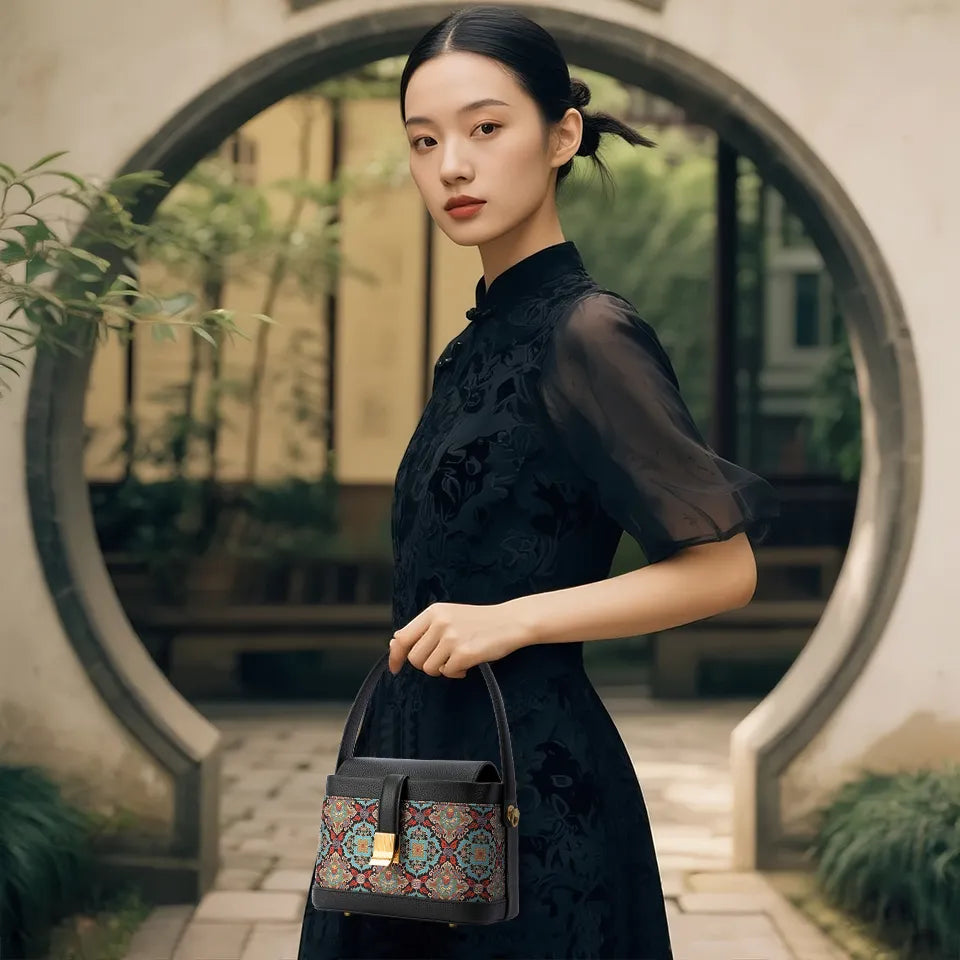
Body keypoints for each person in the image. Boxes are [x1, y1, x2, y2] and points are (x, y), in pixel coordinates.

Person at [297, 5, 780, 958]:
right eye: (424, 140)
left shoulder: (588, 335)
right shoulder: (476, 344)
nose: (452, 167)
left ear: (562, 136)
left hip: (530, 796)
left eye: (485, 128)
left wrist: (512, 618)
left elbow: (724, 570)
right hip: (408, 782)